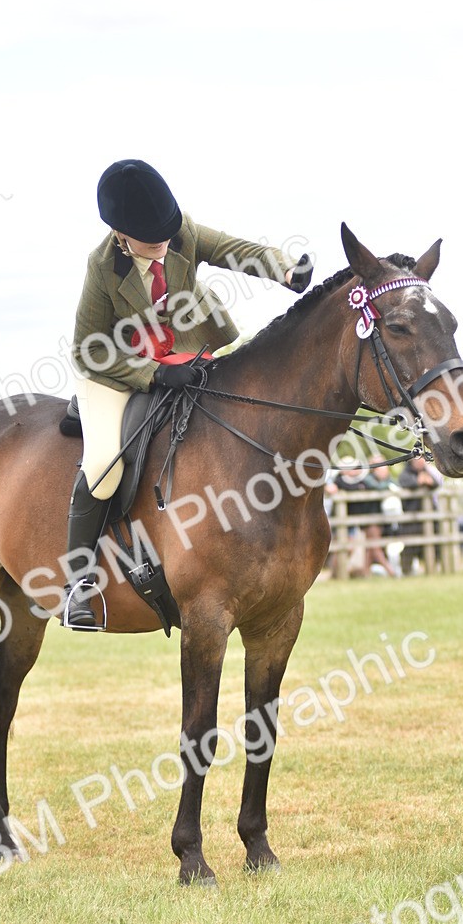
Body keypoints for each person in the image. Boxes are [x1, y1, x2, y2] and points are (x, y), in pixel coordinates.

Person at [63, 158, 314, 628]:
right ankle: (76, 583)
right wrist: (153, 376)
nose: (162, 244)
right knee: (102, 466)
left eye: (166, 235)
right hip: (118, 369)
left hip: (188, 349)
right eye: (150, 239)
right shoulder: (101, 269)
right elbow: (85, 350)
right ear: (120, 233)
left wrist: (284, 269)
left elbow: (233, 250)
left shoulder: (180, 233)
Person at [398, 456, 442, 574]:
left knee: (435, 545)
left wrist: (426, 480)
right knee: (410, 547)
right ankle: (406, 572)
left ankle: (433, 569)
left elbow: (436, 483)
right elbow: (406, 482)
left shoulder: (427, 471)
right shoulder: (406, 473)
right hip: (411, 517)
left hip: (429, 515)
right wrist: (419, 481)